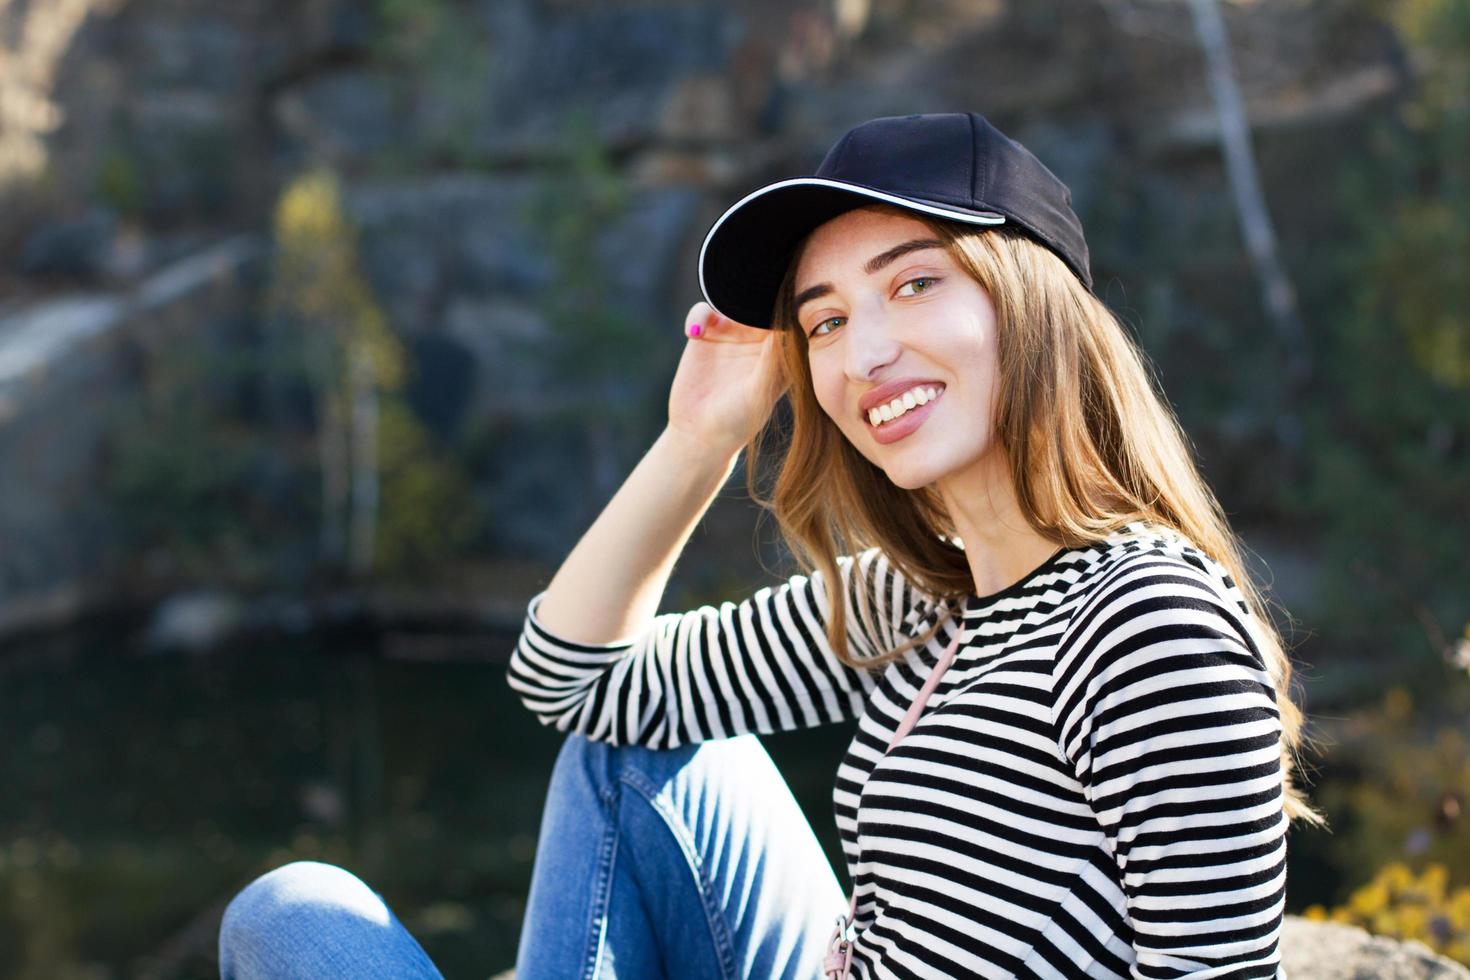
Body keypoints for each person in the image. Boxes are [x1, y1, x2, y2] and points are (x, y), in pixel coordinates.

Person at [217, 112, 1323, 980]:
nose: (864, 350)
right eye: (827, 319)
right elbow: (574, 686)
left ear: (1034, 301)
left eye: (915, 281)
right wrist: (700, 436)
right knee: (318, 898)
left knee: (291, 927)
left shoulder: (1147, 624)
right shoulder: (925, 596)